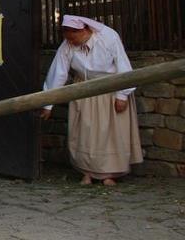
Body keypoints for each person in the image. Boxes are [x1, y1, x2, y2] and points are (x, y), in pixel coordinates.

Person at [40, 15, 143, 186]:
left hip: (110, 88)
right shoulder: (67, 46)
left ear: (85, 31)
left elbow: (123, 66)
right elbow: (58, 73)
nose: (71, 42)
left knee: (111, 134)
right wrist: (48, 104)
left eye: (74, 38)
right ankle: (86, 172)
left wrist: (122, 95)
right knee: (84, 133)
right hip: (84, 91)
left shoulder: (109, 38)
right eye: (68, 38)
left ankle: (109, 174)